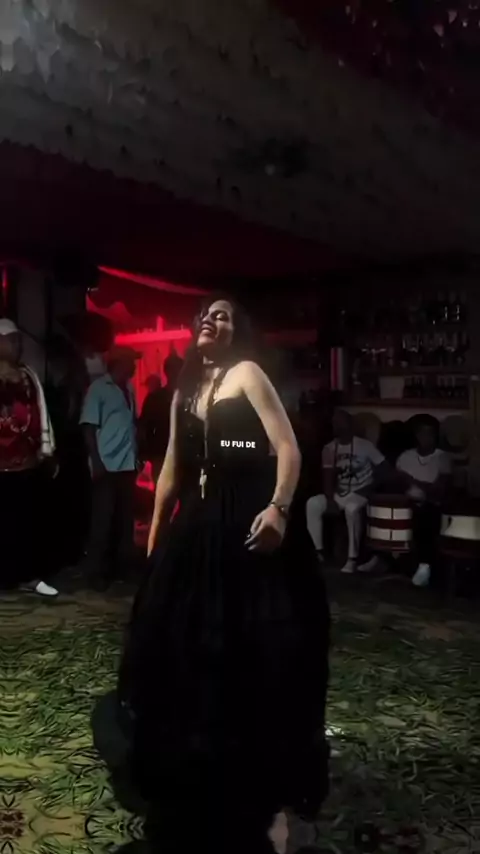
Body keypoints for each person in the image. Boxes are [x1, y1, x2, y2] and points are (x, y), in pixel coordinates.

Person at [95, 296, 330, 854]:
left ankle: (257, 767)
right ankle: (197, 764)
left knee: (255, 642)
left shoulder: (247, 373)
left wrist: (279, 508)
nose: (211, 320)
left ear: (235, 330)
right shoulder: (186, 389)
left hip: (250, 517)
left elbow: (287, 448)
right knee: (185, 641)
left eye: (223, 315)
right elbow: (172, 469)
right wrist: (155, 538)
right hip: (199, 524)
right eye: (205, 314)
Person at [0, 318, 59, 597]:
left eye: (18, 341)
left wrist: (47, 450)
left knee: (27, 522)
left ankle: (29, 576)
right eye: (11, 341)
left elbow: (40, 410)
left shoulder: (28, 374)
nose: (17, 346)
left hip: (26, 460)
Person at [79, 345, 140, 591]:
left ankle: (121, 567)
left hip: (127, 463)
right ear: (119, 363)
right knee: (102, 520)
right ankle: (96, 571)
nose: (134, 366)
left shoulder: (129, 389)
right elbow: (88, 427)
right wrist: (96, 461)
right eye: (131, 361)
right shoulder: (98, 389)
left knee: (124, 520)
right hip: (107, 463)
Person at [306, 409, 386, 573]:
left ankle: (352, 559)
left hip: (360, 493)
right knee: (313, 504)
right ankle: (318, 552)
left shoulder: (365, 445)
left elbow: (385, 468)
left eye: (341, 422)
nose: (337, 426)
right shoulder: (329, 448)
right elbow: (327, 475)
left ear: (350, 424)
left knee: (352, 508)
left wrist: (369, 488)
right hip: (339, 492)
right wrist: (330, 500)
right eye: (335, 423)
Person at [396, 418, 451, 587]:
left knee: (426, 513)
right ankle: (382, 558)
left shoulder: (442, 457)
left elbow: (438, 490)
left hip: (430, 504)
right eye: (422, 433)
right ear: (416, 435)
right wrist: (418, 485)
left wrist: (412, 480)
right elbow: (396, 482)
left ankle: (424, 566)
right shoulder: (405, 456)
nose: (425, 437)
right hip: (406, 502)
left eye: (430, 434)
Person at [138, 350, 183, 484]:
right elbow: (144, 427)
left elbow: (143, 426)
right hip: (163, 454)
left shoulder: (155, 398)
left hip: (177, 454)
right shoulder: (155, 398)